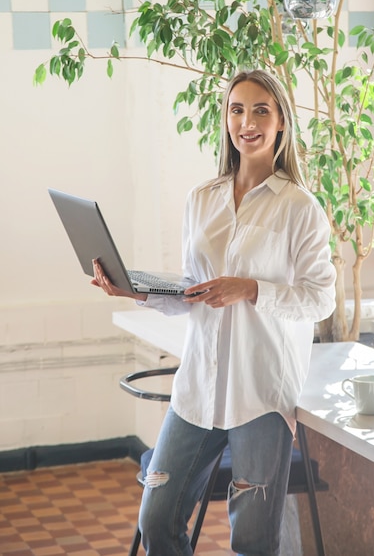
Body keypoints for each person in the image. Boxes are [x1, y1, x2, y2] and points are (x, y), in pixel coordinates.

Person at [92, 69, 336, 556]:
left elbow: (320, 298)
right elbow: (192, 291)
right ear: (226, 120)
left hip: (260, 395)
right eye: (237, 109)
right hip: (198, 389)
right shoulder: (200, 200)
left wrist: (250, 289)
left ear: (282, 122)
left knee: (252, 539)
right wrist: (134, 291)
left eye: (261, 110)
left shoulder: (301, 208)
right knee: (156, 520)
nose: (248, 121)